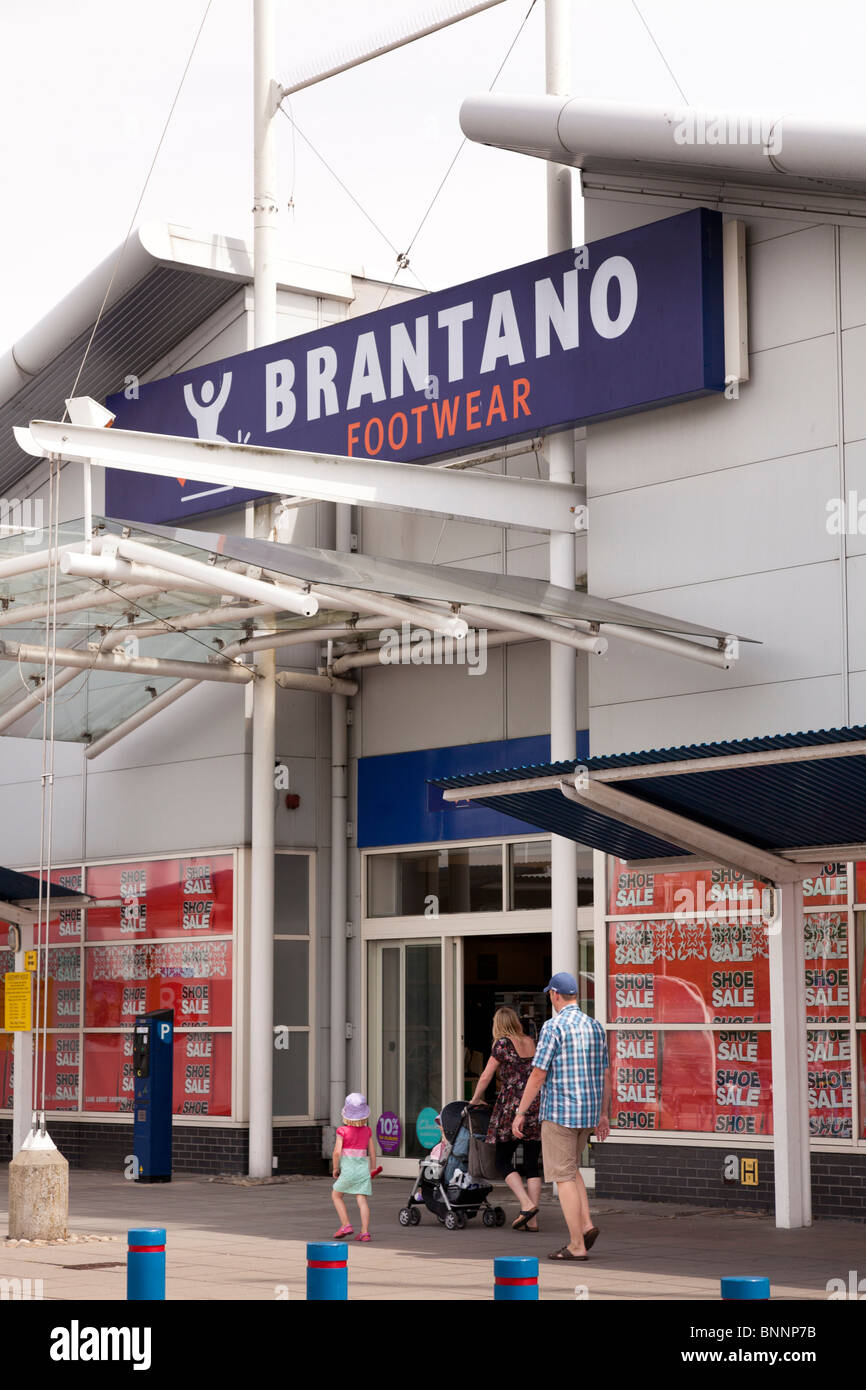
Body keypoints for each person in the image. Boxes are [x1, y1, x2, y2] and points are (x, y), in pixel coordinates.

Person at [513, 972, 611, 1261]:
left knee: (564, 1177)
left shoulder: (553, 1027)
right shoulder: (595, 1026)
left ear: (555, 995)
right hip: (588, 1114)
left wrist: (520, 1112)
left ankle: (576, 1245)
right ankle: (586, 1224)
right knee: (572, 1169)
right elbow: (606, 1074)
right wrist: (604, 1114)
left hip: (560, 1113)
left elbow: (539, 1073)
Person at [468, 1006, 543, 1231]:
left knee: (501, 1160)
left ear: (498, 1024)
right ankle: (533, 1219)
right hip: (535, 1104)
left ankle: (527, 1205)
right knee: (532, 1163)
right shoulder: (531, 1041)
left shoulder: (501, 1044)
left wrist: (473, 1100)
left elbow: (485, 1076)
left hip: (512, 1107)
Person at [331, 1092, 377, 1242]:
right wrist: (373, 1168)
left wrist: (335, 1168)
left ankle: (346, 1224)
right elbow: (372, 1152)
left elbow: (337, 1152)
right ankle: (365, 1232)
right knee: (361, 1199)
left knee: (336, 1195)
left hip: (348, 1171)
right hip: (363, 1171)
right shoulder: (367, 1131)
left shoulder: (342, 1131)